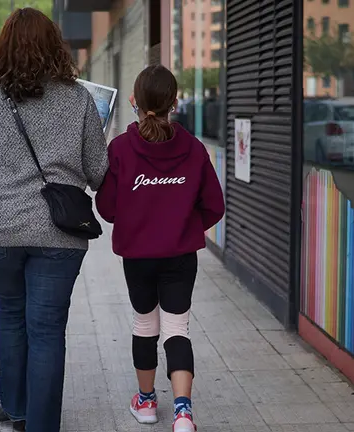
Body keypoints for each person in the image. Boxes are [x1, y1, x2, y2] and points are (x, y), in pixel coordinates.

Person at [0, 8, 109, 432]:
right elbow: (98, 171)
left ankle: (16, 407)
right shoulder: (78, 98)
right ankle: (40, 423)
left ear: (1, 48)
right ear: (54, 47)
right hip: (58, 232)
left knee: (10, 312)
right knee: (46, 329)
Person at [96, 65, 225, 432]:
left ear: (135, 101)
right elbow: (214, 205)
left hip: (138, 257)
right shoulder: (195, 149)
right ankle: (183, 412)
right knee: (176, 328)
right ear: (175, 102)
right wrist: (182, 228)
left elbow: (106, 208)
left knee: (145, 324)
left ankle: (148, 403)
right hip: (180, 257)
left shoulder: (121, 149)